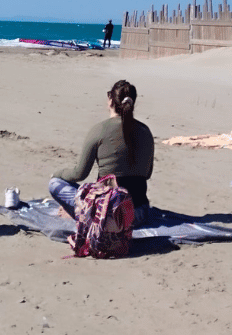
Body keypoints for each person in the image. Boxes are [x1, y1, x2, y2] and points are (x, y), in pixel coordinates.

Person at [49, 79, 154, 226]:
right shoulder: (145, 131)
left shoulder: (99, 130)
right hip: (139, 214)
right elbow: (147, 174)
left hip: (107, 215)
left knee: (54, 184)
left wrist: (57, 173)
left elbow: (79, 173)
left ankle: (81, 214)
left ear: (110, 100)